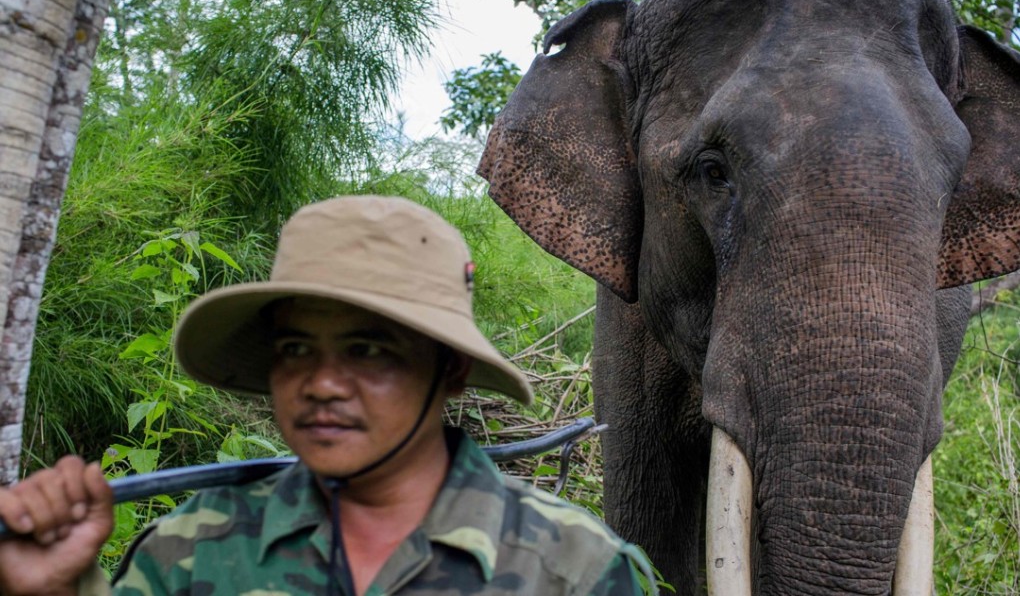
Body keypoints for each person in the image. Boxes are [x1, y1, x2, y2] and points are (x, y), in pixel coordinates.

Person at [0, 195, 655, 595]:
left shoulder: (572, 568)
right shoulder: (191, 551)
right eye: (294, 350)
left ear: (449, 370)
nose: (320, 384)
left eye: (369, 351)